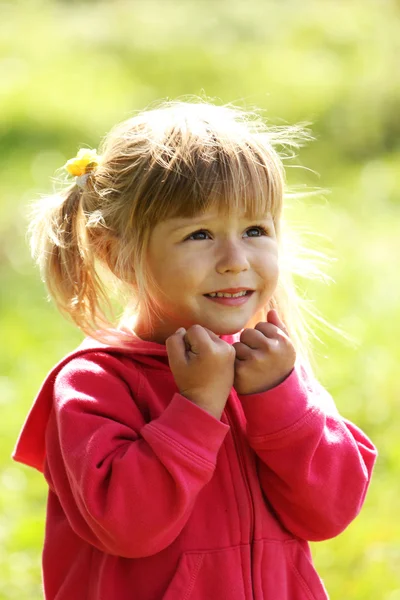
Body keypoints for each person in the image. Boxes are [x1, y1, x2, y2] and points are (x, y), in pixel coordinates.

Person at [13, 100, 377, 600]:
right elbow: (128, 528)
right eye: (199, 234)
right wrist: (196, 409)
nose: (235, 261)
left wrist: (279, 397)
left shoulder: (268, 366)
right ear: (116, 254)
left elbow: (331, 511)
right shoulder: (93, 384)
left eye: (255, 230)